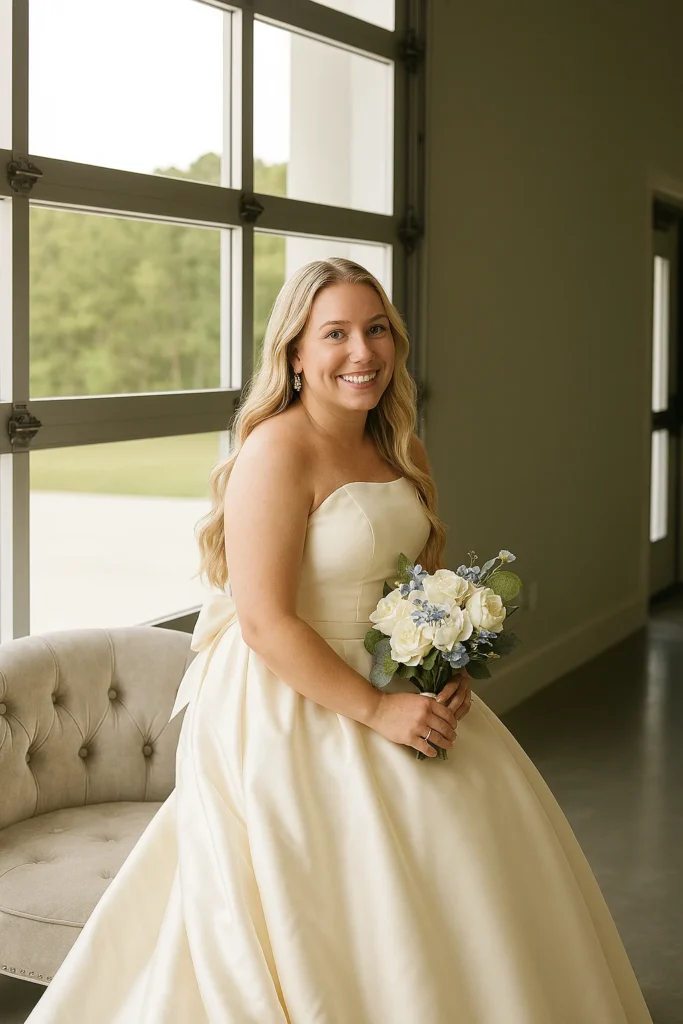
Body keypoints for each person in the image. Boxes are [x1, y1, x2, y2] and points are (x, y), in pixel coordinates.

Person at [27, 258, 653, 1023]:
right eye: (335, 334)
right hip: (289, 696)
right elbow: (263, 620)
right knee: (332, 897)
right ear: (295, 353)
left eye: (376, 329)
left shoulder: (403, 450)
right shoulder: (277, 452)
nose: (362, 352)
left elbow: (414, 587)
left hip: (393, 681)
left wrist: (445, 665)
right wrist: (378, 712)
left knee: (466, 868)